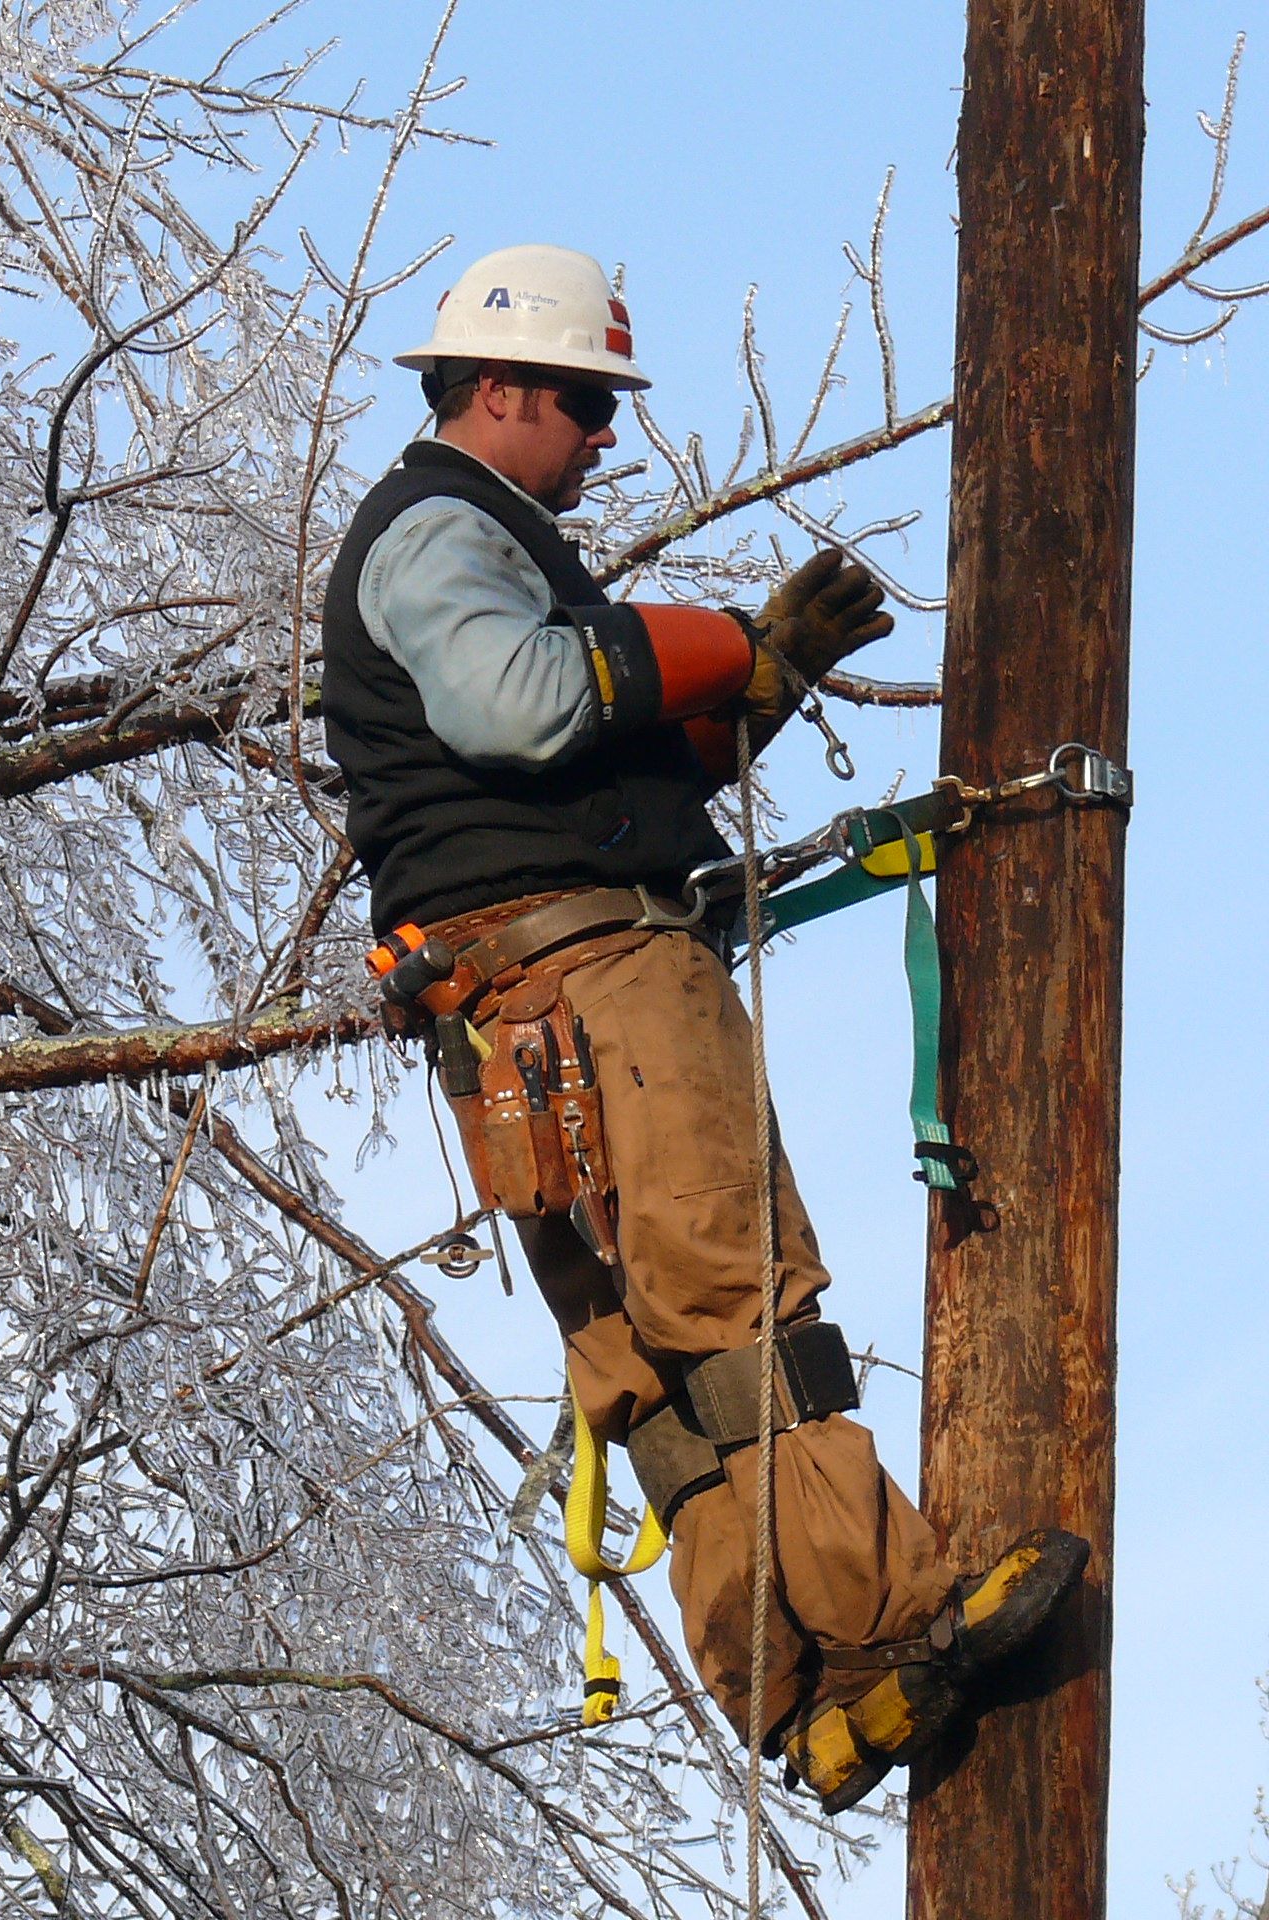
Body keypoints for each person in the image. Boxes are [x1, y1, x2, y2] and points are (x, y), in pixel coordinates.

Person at [321, 242, 1086, 1811]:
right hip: (592, 987)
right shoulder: (442, 530)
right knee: (746, 1301)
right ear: (507, 390)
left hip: (511, 1025)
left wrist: (767, 675)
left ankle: (802, 1688)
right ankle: (898, 1613)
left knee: (659, 1370)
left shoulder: (482, 544)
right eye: (588, 407)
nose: (605, 439)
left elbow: (593, 756)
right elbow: (518, 703)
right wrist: (723, 637)